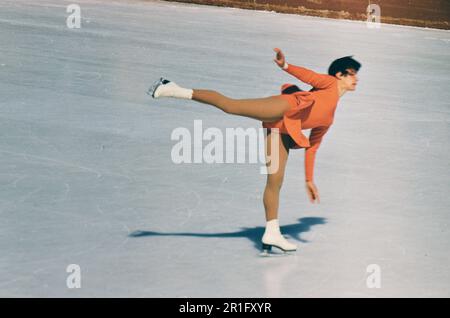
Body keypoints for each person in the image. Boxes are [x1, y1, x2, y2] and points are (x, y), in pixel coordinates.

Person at [148, 48, 361, 253]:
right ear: (339, 74)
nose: (356, 79)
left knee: (275, 181)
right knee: (231, 106)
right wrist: (285, 65)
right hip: (285, 106)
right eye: (352, 74)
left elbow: (313, 147)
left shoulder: (329, 118)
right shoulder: (329, 84)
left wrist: (309, 180)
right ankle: (172, 89)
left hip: (282, 131)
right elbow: (310, 77)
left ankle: (272, 232)